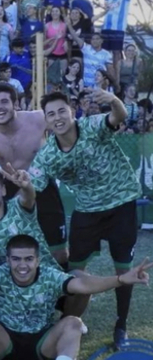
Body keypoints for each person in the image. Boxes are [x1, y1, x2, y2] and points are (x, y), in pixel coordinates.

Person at [0, 234, 152, 360]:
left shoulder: (50, 276)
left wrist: (121, 279)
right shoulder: (0, 274)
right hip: (6, 341)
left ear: (37, 260)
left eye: (28, 259)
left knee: (72, 322)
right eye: (17, 259)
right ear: (8, 260)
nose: (22, 265)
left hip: (42, 342)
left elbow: (82, 283)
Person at [29, 91, 142, 348]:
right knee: (74, 270)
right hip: (87, 211)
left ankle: (120, 324)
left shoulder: (91, 126)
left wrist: (113, 99)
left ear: (72, 111)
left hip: (121, 205)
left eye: (61, 111)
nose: (57, 118)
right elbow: (32, 185)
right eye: (51, 114)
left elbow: (119, 116)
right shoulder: (48, 155)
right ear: (46, 121)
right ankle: (67, 319)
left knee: (123, 269)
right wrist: (19, 182)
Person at [0, 82, 69, 266]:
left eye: (4, 101)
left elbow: (65, 121)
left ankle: (63, 290)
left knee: (59, 255)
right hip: (11, 190)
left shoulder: (38, 118)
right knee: (13, 253)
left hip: (43, 188)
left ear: (16, 104)